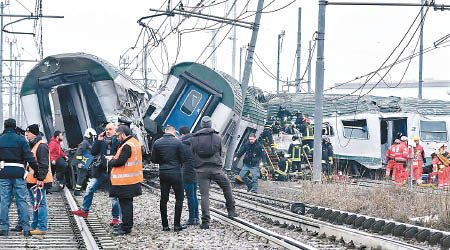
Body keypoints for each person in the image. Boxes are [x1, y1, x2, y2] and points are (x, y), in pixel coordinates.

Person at [191, 116, 238, 229]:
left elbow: (193, 153)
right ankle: (231, 211)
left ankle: (205, 222)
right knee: (227, 187)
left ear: (202, 125)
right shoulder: (217, 137)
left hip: (201, 170)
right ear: (210, 125)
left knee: (204, 195)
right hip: (216, 169)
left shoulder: (194, 138)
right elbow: (221, 152)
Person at [72, 123, 121, 226]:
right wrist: (98, 140)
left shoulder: (118, 141)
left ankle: (116, 218)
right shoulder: (101, 141)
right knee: (89, 188)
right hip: (101, 170)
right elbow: (94, 152)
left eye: (110, 129)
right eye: (106, 129)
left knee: (114, 196)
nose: (108, 131)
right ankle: (84, 210)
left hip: (113, 171)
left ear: (115, 131)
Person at [0, 119, 38, 237]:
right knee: (21, 200)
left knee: (4, 201)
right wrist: (36, 169)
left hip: (4, 173)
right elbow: (29, 157)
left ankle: (4, 228)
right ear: (15, 127)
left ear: (5, 127)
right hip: (19, 173)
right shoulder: (21, 140)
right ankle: (26, 229)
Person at [107, 125, 143, 235]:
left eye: (118, 136)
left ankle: (126, 227)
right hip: (131, 179)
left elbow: (120, 161)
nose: (117, 138)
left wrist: (110, 161)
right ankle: (126, 224)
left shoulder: (127, 146)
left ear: (123, 134)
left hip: (125, 181)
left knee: (125, 204)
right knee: (127, 204)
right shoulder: (134, 142)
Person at [151, 125, 186, 232]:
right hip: (176, 173)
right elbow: (183, 159)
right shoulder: (178, 142)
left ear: (165, 131)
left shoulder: (157, 142)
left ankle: (165, 225)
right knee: (179, 198)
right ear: (173, 132)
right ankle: (176, 225)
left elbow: (154, 159)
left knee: (164, 199)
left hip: (163, 173)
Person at [25, 124, 53, 235]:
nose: (26, 134)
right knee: (35, 203)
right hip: (32, 181)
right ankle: (34, 225)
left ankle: (42, 227)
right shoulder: (34, 145)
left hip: (39, 181)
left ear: (34, 133)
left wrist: (40, 178)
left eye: (28, 132)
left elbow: (44, 164)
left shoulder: (41, 146)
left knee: (41, 203)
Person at [179, 126, 199, 226]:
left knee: (190, 196)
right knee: (194, 195)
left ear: (182, 134)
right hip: (196, 171)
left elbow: (181, 159)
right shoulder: (196, 142)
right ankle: (197, 218)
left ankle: (192, 218)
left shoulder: (183, 144)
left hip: (187, 172)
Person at [74, 128, 96, 196]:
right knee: (81, 177)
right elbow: (78, 152)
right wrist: (79, 162)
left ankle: (88, 188)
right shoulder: (84, 143)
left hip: (88, 164)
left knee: (91, 175)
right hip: (83, 164)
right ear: (89, 135)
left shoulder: (89, 142)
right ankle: (77, 192)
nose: (94, 137)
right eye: (93, 136)